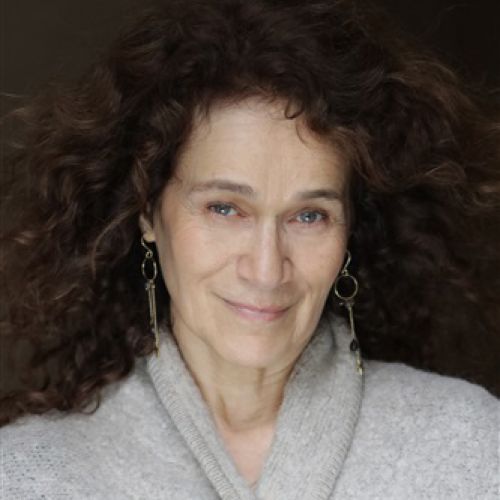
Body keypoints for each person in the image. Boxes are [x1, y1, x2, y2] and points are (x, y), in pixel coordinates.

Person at [1, 0, 499, 498]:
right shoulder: (30, 475)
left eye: (309, 215)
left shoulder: (469, 448)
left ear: (350, 229)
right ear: (147, 212)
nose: (266, 269)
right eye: (224, 208)